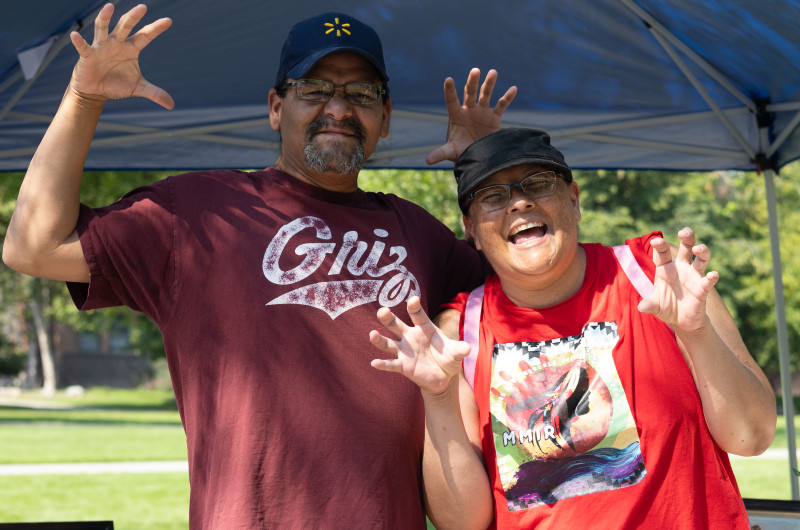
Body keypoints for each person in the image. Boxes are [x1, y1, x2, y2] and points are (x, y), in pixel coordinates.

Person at [1, 4, 518, 529]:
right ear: (276, 107)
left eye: (361, 94)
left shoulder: (418, 232)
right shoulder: (199, 210)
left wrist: (479, 161)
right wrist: (84, 97)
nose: (338, 108)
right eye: (314, 90)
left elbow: (526, 286)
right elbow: (33, 247)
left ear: (384, 120)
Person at [370, 127, 777, 529]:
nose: (519, 203)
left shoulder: (657, 276)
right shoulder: (459, 333)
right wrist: (438, 397)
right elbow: (462, 523)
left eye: (538, 183)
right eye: (493, 196)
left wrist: (697, 332)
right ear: (471, 229)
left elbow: (751, 437)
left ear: (574, 199)